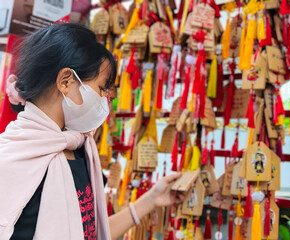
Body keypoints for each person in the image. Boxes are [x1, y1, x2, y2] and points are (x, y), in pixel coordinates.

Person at [0, 23, 184, 240]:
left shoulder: (78, 148)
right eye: (101, 88)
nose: (105, 100)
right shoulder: (10, 160)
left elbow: (88, 232)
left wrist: (151, 199)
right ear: (66, 81)